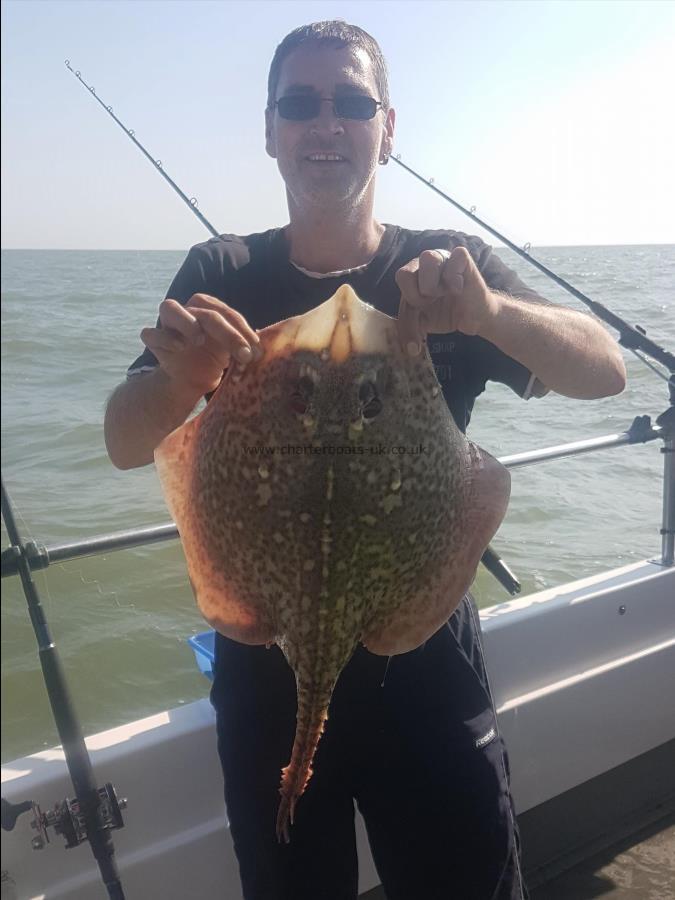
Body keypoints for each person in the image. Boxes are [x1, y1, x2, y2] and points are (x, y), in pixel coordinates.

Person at [104, 20, 626, 900]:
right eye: (300, 105)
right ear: (269, 130)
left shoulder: (451, 272)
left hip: (423, 653)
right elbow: (126, 441)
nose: (325, 123)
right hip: (265, 660)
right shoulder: (220, 268)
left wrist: (488, 312)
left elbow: (603, 372)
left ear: (388, 127)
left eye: (350, 103)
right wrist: (179, 376)